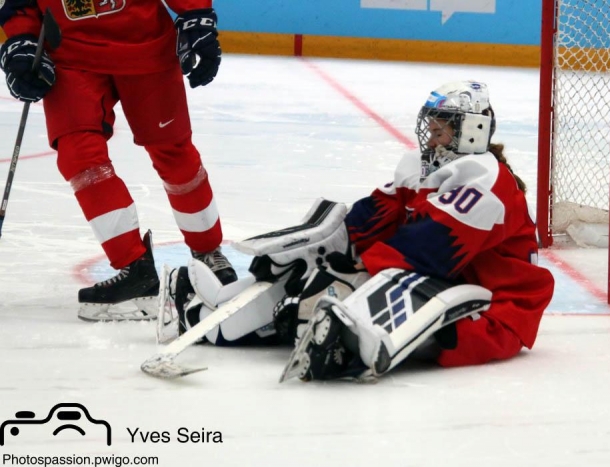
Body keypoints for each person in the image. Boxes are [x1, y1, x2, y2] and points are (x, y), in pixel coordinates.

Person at [164, 80, 554, 382]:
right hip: (446, 282)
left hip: (497, 309)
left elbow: (429, 251)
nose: (430, 139)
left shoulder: (487, 182)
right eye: (430, 129)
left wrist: (350, 272)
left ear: (471, 131)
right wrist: (302, 255)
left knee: (365, 305)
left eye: (440, 132)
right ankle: (203, 310)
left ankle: (342, 343)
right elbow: (368, 219)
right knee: (305, 280)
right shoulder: (426, 169)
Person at [0, 0, 237, 321]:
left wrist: (195, 15)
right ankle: (134, 271)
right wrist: (20, 39)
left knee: (173, 153)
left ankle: (208, 252)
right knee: (79, 156)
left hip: (146, 49)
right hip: (70, 58)